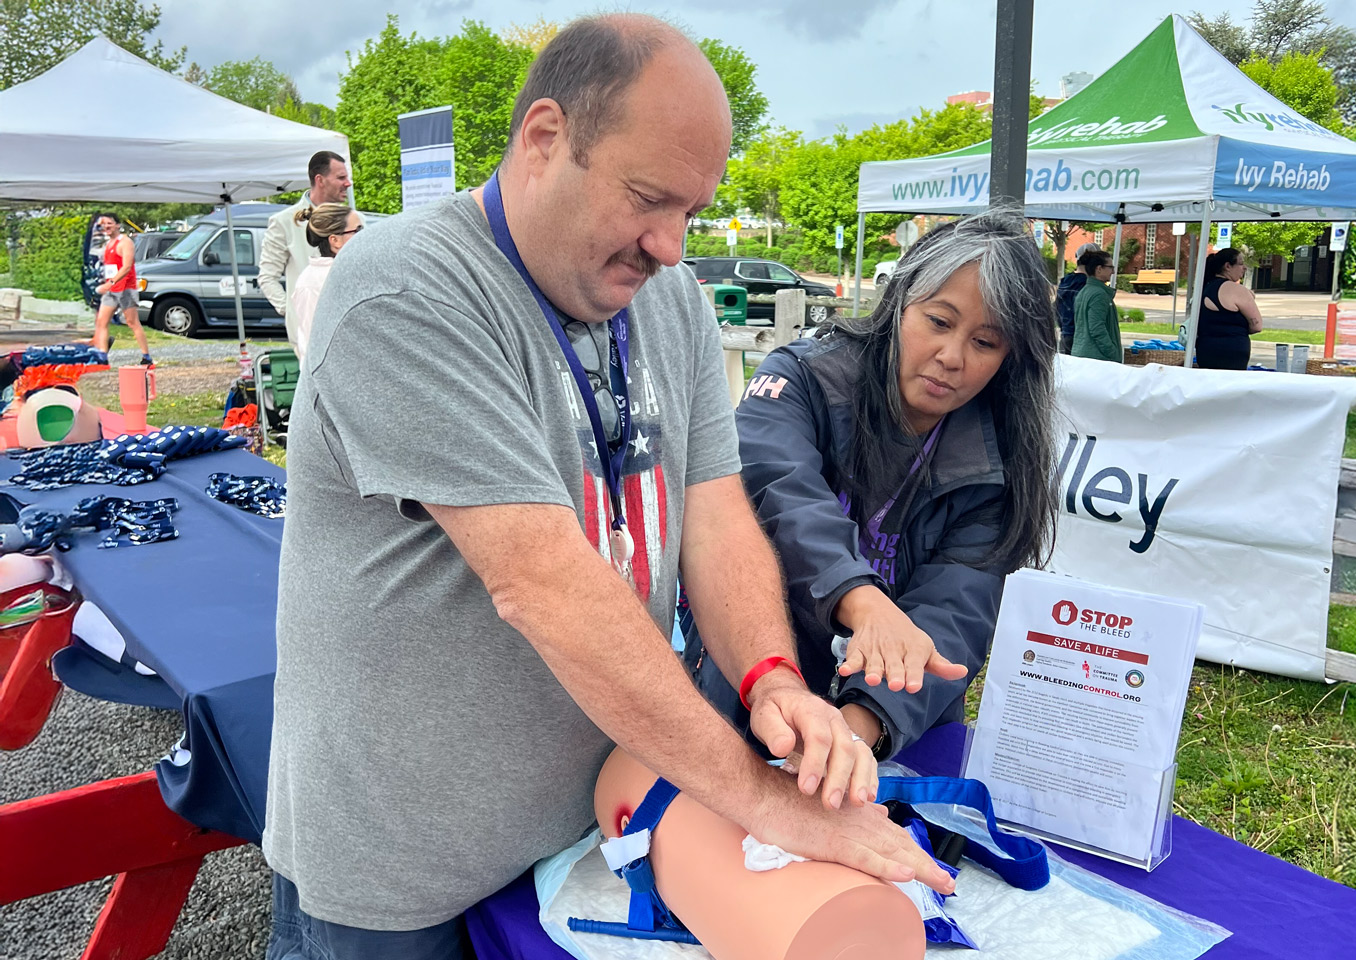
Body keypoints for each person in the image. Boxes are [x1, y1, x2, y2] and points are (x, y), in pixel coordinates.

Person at [263, 16, 950, 960]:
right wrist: (758, 802)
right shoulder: (407, 292)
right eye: (648, 199)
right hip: (404, 870)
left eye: (692, 212)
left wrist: (770, 676)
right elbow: (539, 580)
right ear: (544, 139)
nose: (671, 245)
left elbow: (713, 511)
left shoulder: (668, 300)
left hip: (595, 823)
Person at [686, 211, 1059, 762]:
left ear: (1011, 359)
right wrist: (863, 602)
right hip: (754, 677)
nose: (952, 358)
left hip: (888, 727)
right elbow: (778, 496)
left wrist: (853, 736)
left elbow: (955, 612)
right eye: (937, 321)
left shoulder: (999, 462)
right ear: (900, 301)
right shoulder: (801, 379)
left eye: (984, 342)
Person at [257, 150, 351, 327]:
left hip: (348, 324)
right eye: (341, 178)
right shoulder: (284, 221)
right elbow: (267, 277)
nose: (348, 183)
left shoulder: (354, 219)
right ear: (320, 180)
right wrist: (293, 312)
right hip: (308, 330)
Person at [285, 203, 362, 364]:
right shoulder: (312, 283)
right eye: (358, 231)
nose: (364, 235)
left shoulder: (352, 271)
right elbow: (312, 344)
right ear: (335, 240)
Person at [90, 213, 152, 365]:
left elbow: (127, 266)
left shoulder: (125, 242)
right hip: (111, 290)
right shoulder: (108, 243)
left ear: (117, 225)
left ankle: (146, 356)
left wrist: (110, 282)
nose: (106, 227)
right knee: (101, 321)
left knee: (132, 322)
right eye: (103, 224)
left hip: (125, 288)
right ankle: (102, 357)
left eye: (109, 223)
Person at [1196, 248, 1262, 370]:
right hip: (1233, 352)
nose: (1245, 268)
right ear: (1228, 266)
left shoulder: (1204, 288)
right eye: (1241, 263)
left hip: (1206, 350)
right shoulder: (1236, 290)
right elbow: (1257, 326)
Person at [1070, 248, 1122, 362]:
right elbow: (1097, 328)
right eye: (1110, 267)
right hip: (1096, 358)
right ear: (1099, 269)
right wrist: (1112, 352)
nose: (1113, 272)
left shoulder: (1085, 291)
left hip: (1083, 354)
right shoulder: (1099, 294)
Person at [1054, 241, 1100, 355]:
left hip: (1065, 334)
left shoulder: (1066, 281)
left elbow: (1056, 309)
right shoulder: (1086, 285)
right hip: (1081, 339)